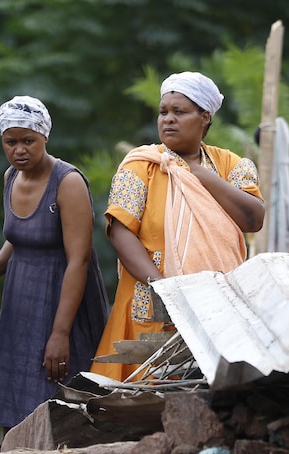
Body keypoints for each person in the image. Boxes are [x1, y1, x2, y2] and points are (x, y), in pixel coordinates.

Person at [93, 71, 264, 382]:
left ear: (205, 117)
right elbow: (119, 231)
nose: (168, 120)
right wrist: (163, 289)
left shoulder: (232, 166)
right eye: (163, 112)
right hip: (151, 306)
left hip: (217, 308)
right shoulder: (141, 165)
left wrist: (197, 173)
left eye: (179, 112)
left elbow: (253, 219)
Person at [0, 96, 109, 432]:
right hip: (21, 302)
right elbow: (20, 238)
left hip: (63, 301)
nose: (19, 150)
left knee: (62, 397)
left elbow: (79, 260)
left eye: (28, 141)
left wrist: (60, 333)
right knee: (20, 400)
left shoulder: (67, 182)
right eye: (11, 142)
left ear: (45, 137)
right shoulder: (11, 177)